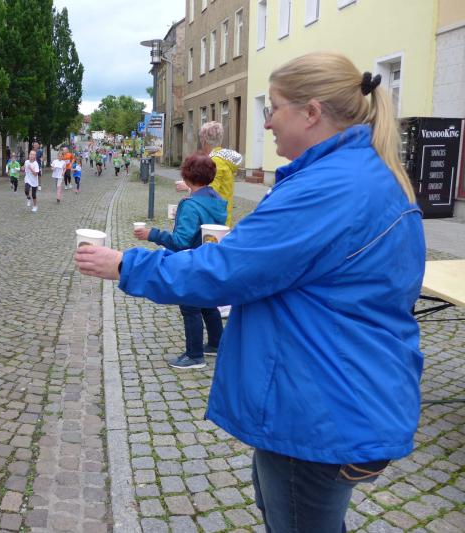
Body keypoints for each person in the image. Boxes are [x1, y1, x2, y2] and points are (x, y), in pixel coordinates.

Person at [75, 52, 425, 533]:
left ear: (311, 112)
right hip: (336, 386)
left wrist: (126, 264)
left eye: (273, 108)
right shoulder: (359, 175)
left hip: (319, 398)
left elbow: (228, 269)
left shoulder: (330, 189)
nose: (265, 123)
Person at [134, 152, 227, 369]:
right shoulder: (214, 199)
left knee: (190, 307)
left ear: (186, 176)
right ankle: (216, 343)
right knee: (208, 303)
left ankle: (194, 356)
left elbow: (181, 241)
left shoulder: (191, 205)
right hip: (209, 258)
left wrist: (152, 234)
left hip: (191, 262)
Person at [200, 121, 243, 227]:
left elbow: (210, 192)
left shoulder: (215, 161)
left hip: (216, 221)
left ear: (204, 140)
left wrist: (189, 186)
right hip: (223, 216)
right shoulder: (222, 159)